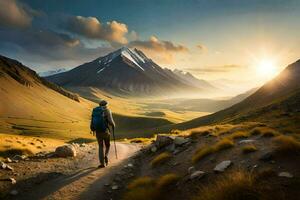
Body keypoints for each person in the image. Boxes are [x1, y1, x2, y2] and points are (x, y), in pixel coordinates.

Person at [90, 100, 115, 168]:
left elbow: (92, 121)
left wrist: (92, 129)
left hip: (98, 132)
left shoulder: (95, 111)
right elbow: (111, 122)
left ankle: (102, 163)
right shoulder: (107, 110)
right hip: (105, 131)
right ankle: (106, 155)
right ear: (106, 105)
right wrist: (113, 125)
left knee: (101, 147)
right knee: (108, 145)